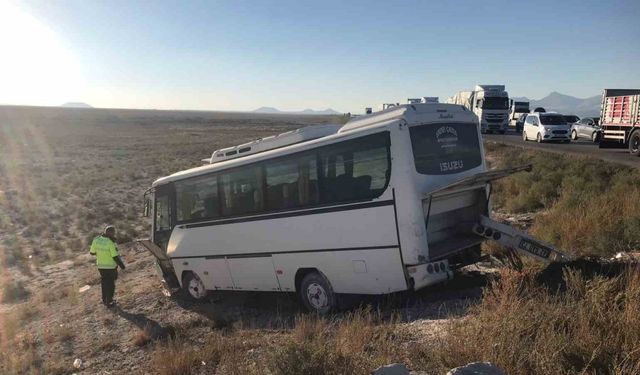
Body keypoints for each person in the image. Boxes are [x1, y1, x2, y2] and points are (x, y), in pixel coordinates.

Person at [89, 225, 126, 307]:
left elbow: (92, 253)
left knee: (104, 283)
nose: (114, 234)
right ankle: (109, 301)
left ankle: (104, 299)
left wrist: (100, 252)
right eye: (114, 233)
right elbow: (115, 256)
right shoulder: (110, 242)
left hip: (101, 266)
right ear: (111, 233)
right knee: (111, 284)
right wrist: (122, 266)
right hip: (110, 267)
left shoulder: (96, 240)